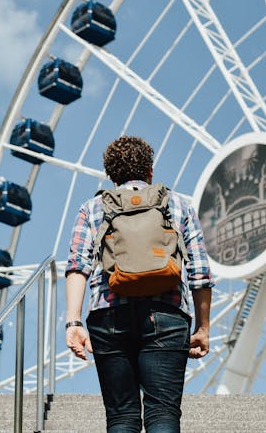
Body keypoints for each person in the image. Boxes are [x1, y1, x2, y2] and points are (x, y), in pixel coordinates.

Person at [65, 135, 214, 433]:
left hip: (108, 316)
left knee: (122, 416)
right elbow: (199, 272)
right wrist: (203, 328)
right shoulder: (178, 206)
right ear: (150, 171)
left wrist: (73, 323)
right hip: (167, 315)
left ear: (111, 175)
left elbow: (78, 267)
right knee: (163, 414)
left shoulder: (92, 208)